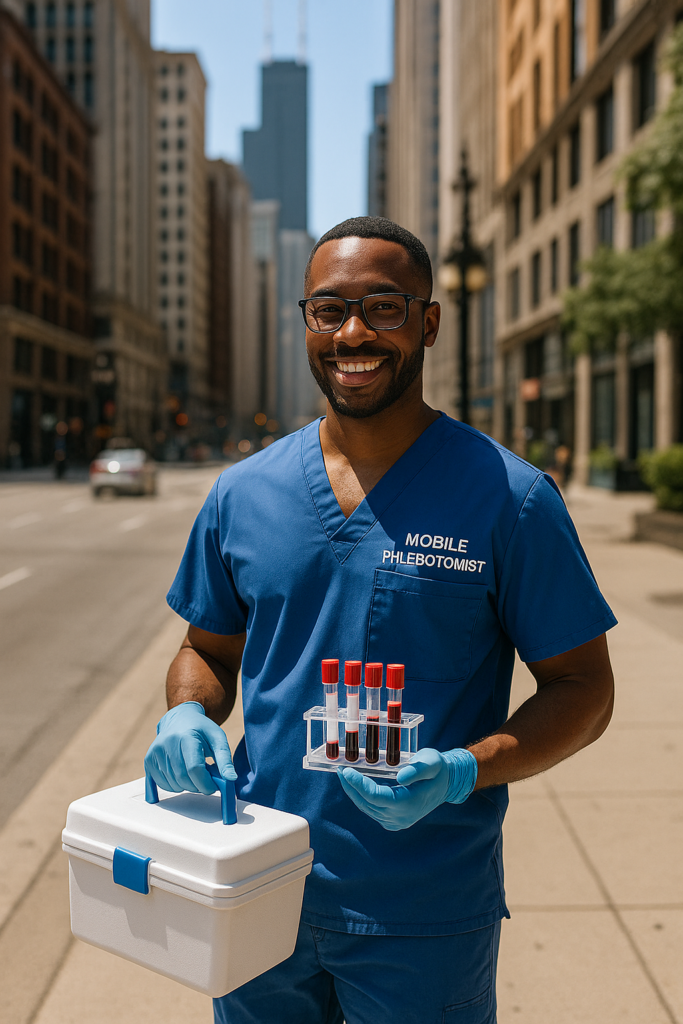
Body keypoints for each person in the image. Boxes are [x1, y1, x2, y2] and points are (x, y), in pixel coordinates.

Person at [145, 217, 616, 1024]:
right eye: (328, 310)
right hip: (257, 885)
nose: (352, 333)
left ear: (427, 322)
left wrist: (466, 768)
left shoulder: (512, 499)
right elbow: (205, 649)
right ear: (306, 325)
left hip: (422, 913)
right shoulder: (242, 494)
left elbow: (583, 690)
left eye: (383, 308)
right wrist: (188, 710)